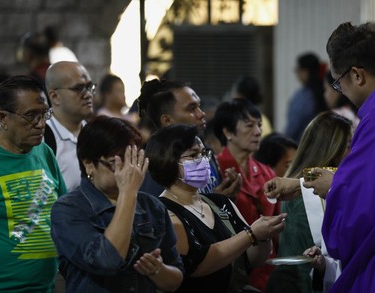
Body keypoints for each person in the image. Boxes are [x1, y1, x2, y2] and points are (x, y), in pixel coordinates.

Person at [307, 22, 375, 292]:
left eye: (337, 82)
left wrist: (334, 187)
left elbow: (363, 214)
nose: (339, 90)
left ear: (356, 75)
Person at [145, 124, 287, 293]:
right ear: (167, 162)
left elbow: (251, 258)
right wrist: (250, 235)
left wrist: (263, 237)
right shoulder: (164, 211)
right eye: (193, 155)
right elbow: (196, 265)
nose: (204, 160)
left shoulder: (219, 202)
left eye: (204, 153)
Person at [50, 116, 184, 292]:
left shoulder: (152, 205)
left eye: (134, 159)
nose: (129, 169)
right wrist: (128, 193)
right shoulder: (68, 209)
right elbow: (107, 260)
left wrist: (158, 270)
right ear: (89, 165)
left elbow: (176, 278)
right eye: (117, 163)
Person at [0, 75, 67, 292]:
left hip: (47, 286)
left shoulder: (44, 152)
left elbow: (63, 211)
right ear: (3, 117)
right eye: (31, 116)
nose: (41, 124)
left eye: (45, 114)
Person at [266, 111, 352, 293]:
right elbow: (302, 266)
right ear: (331, 149)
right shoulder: (302, 195)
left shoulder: (299, 186)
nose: (354, 153)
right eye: (349, 145)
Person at [212, 99, 280, 291]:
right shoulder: (214, 171)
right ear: (227, 132)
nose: (258, 132)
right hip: (231, 270)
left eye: (259, 125)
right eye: (249, 126)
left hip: (267, 270)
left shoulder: (267, 172)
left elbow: (277, 226)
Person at [137, 78, 241, 198]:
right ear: (167, 120)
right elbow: (161, 212)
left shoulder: (206, 152)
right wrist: (214, 201)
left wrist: (226, 199)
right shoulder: (157, 165)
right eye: (192, 109)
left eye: (199, 106)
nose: (201, 114)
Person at [45, 61, 95, 192]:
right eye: (79, 88)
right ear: (55, 97)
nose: (88, 95)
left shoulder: (97, 134)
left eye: (89, 87)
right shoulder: (42, 140)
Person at [285, 52, 327, 143]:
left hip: (301, 147)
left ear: (305, 71)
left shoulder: (303, 96)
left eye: (298, 70)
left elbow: (292, 127)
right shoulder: (326, 91)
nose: (297, 74)